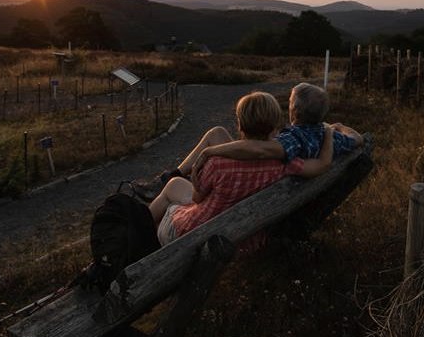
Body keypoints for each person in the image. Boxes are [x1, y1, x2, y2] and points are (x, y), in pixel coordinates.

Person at [149, 91, 334, 246]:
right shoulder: (287, 164)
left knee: (173, 187)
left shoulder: (217, 164)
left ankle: (141, 233)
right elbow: (323, 164)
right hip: (244, 236)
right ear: (275, 127)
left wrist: (202, 173)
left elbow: (197, 199)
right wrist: (328, 132)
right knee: (216, 135)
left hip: (197, 236)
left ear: (240, 124)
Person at [191, 82, 363, 177]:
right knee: (217, 133)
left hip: (251, 177)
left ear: (294, 110)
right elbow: (357, 138)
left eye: (289, 101)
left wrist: (209, 151)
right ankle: (174, 173)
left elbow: (259, 150)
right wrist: (337, 128)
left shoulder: (292, 140)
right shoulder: (331, 139)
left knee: (216, 134)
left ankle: (174, 175)